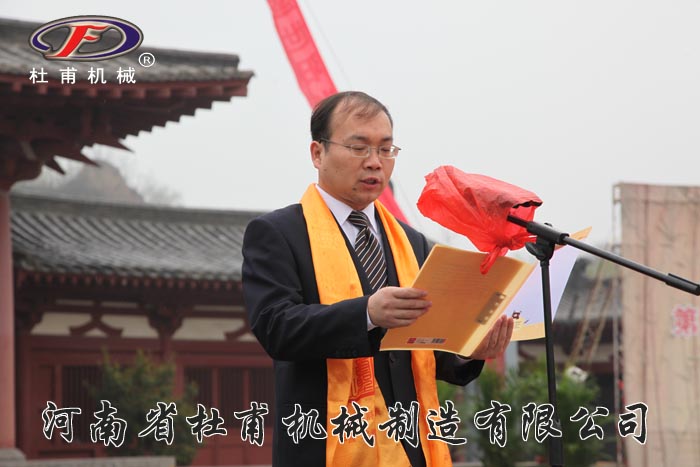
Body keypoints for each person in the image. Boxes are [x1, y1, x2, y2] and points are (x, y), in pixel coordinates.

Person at [242, 91, 514, 467]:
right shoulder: (279, 233)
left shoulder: (410, 241)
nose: (375, 162)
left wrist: (468, 349)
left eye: (386, 149)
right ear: (317, 153)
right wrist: (367, 314)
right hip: (326, 446)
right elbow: (276, 328)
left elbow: (426, 349)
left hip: (410, 446)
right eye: (359, 148)